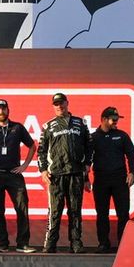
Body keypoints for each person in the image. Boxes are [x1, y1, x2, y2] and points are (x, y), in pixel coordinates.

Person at [0, 99, 36, 253]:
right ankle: (3, 244)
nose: (1, 111)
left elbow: (32, 146)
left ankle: (22, 244)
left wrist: (24, 166)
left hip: (13, 174)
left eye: (3, 108)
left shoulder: (17, 128)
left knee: (22, 208)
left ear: (8, 110)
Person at [38, 93, 92, 253]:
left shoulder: (80, 123)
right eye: (56, 104)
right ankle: (50, 244)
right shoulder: (48, 126)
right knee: (55, 211)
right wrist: (42, 170)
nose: (59, 106)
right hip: (56, 174)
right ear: (53, 106)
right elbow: (41, 151)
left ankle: (76, 243)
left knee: (75, 210)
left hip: (76, 173)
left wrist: (88, 164)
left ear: (67, 103)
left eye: (61, 103)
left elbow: (89, 146)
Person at [90, 106, 134, 252]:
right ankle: (103, 243)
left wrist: (132, 173)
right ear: (104, 119)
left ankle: (124, 244)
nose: (116, 123)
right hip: (101, 180)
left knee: (123, 213)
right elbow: (86, 160)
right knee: (102, 213)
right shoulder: (93, 137)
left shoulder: (122, 135)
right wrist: (85, 178)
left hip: (120, 179)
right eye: (113, 120)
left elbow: (131, 154)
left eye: (117, 120)